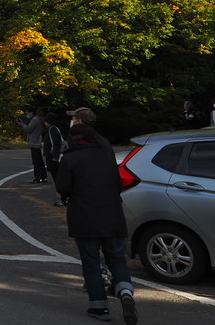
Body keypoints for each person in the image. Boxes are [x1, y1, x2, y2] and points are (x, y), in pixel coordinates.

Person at [55, 122, 138, 324]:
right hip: (112, 214)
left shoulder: (69, 158)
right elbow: (118, 183)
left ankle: (99, 307)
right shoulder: (107, 156)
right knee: (117, 260)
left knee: (91, 264)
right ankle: (125, 292)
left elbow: (63, 188)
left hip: (84, 217)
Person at [43, 112, 67, 206]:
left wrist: (55, 157)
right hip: (54, 158)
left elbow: (55, 144)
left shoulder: (53, 130)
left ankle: (62, 198)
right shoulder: (54, 129)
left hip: (54, 159)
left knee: (58, 179)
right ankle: (62, 198)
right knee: (57, 178)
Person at [18, 107, 46, 183]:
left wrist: (22, 125)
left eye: (27, 113)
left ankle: (38, 177)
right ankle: (43, 176)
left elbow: (29, 129)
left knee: (36, 161)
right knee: (39, 160)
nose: (27, 114)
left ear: (32, 112)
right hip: (37, 141)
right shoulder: (37, 119)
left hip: (34, 142)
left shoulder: (34, 120)